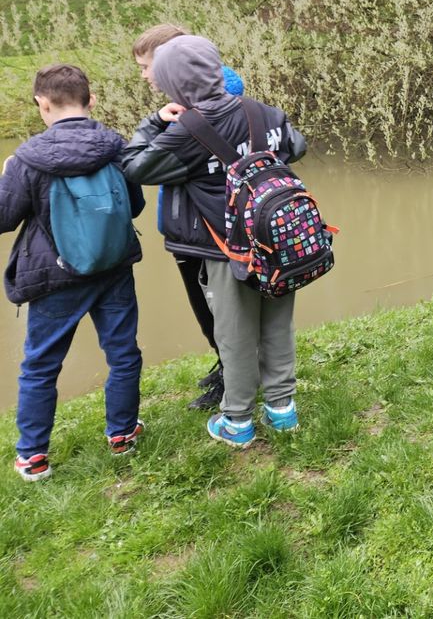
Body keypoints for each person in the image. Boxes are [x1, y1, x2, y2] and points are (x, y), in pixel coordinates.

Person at [120, 36, 307, 448]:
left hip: (229, 249)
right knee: (277, 323)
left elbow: (134, 167)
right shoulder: (263, 112)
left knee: (235, 334)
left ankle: (237, 421)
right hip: (278, 239)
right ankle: (281, 409)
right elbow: (297, 146)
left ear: (175, 83)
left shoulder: (185, 132)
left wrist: (153, 123)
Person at [0, 65, 145, 480]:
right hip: (113, 267)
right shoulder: (115, 147)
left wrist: (8, 174)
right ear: (91, 100)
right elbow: (133, 206)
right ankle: (122, 435)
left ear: (42, 104)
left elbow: (4, 217)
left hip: (54, 277)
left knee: (41, 365)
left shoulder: (28, 158)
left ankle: (33, 456)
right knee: (122, 354)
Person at [132, 24, 245, 410]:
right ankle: (227, 364)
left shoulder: (212, 102)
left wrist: (154, 125)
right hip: (189, 225)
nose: (146, 76)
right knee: (206, 308)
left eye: (148, 66)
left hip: (209, 227)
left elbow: (139, 166)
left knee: (217, 308)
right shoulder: (183, 102)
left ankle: (236, 377)